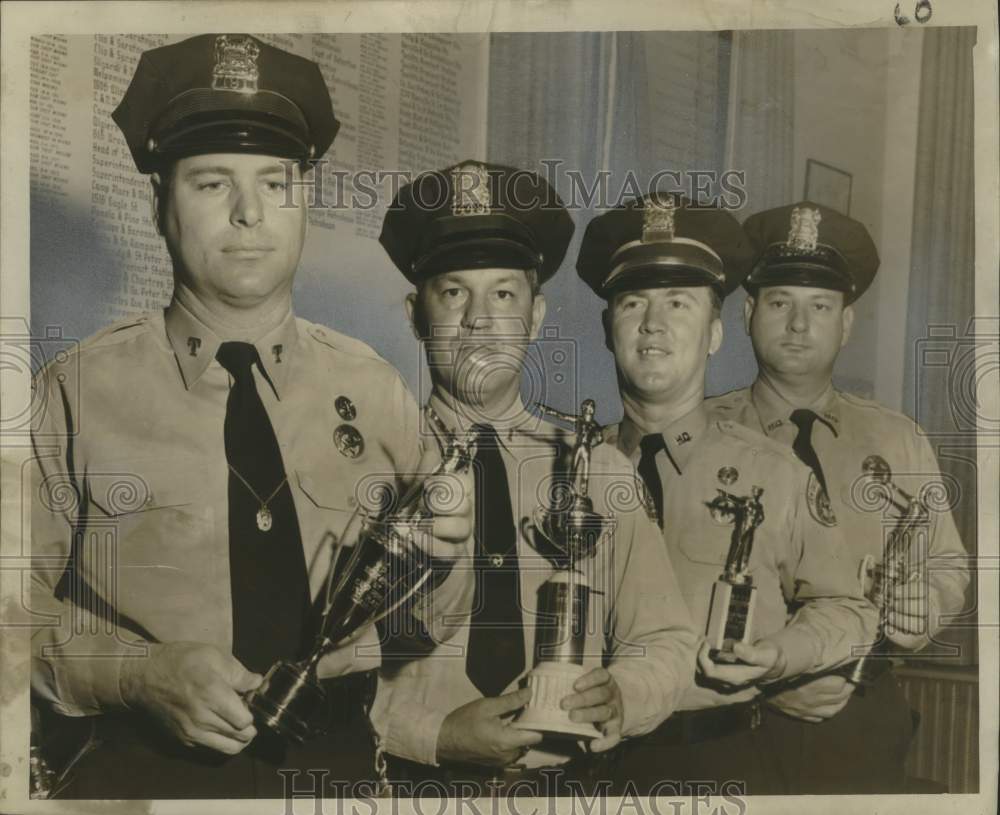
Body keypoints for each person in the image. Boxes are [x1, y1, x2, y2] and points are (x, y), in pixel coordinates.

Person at [29, 34, 471, 800]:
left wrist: (442, 556)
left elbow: (437, 614)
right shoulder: (76, 390)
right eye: (210, 183)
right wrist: (137, 673)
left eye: (276, 182)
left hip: (340, 774)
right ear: (159, 204)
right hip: (141, 780)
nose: (248, 214)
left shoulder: (376, 388)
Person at [371, 161, 699, 796]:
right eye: (453, 293)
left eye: (503, 294)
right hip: (409, 788)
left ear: (536, 314)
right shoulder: (373, 465)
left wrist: (623, 696)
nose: (478, 321)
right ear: (416, 314)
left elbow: (664, 640)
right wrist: (430, 733)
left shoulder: (598, 470)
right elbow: (317, 667)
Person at [575, 193, 878, 795]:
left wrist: (779, 654)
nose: (653, 324)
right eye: (633, 302)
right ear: (609, 330)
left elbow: (850, 611)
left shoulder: (776, 473)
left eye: (679, 304)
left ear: (715, 333)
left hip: (720, 764)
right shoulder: (567, 474)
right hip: (576, 767)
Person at [705, 201, 970, 793]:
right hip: (727, 720)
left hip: (861, 712)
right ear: (748, 314)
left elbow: (947, 565)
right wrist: (766, 675)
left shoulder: (896, 438)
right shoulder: (701, 434)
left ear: (846, 323)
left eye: (819, 307)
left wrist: (920, 608)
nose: (799, 326)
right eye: (780, 304)